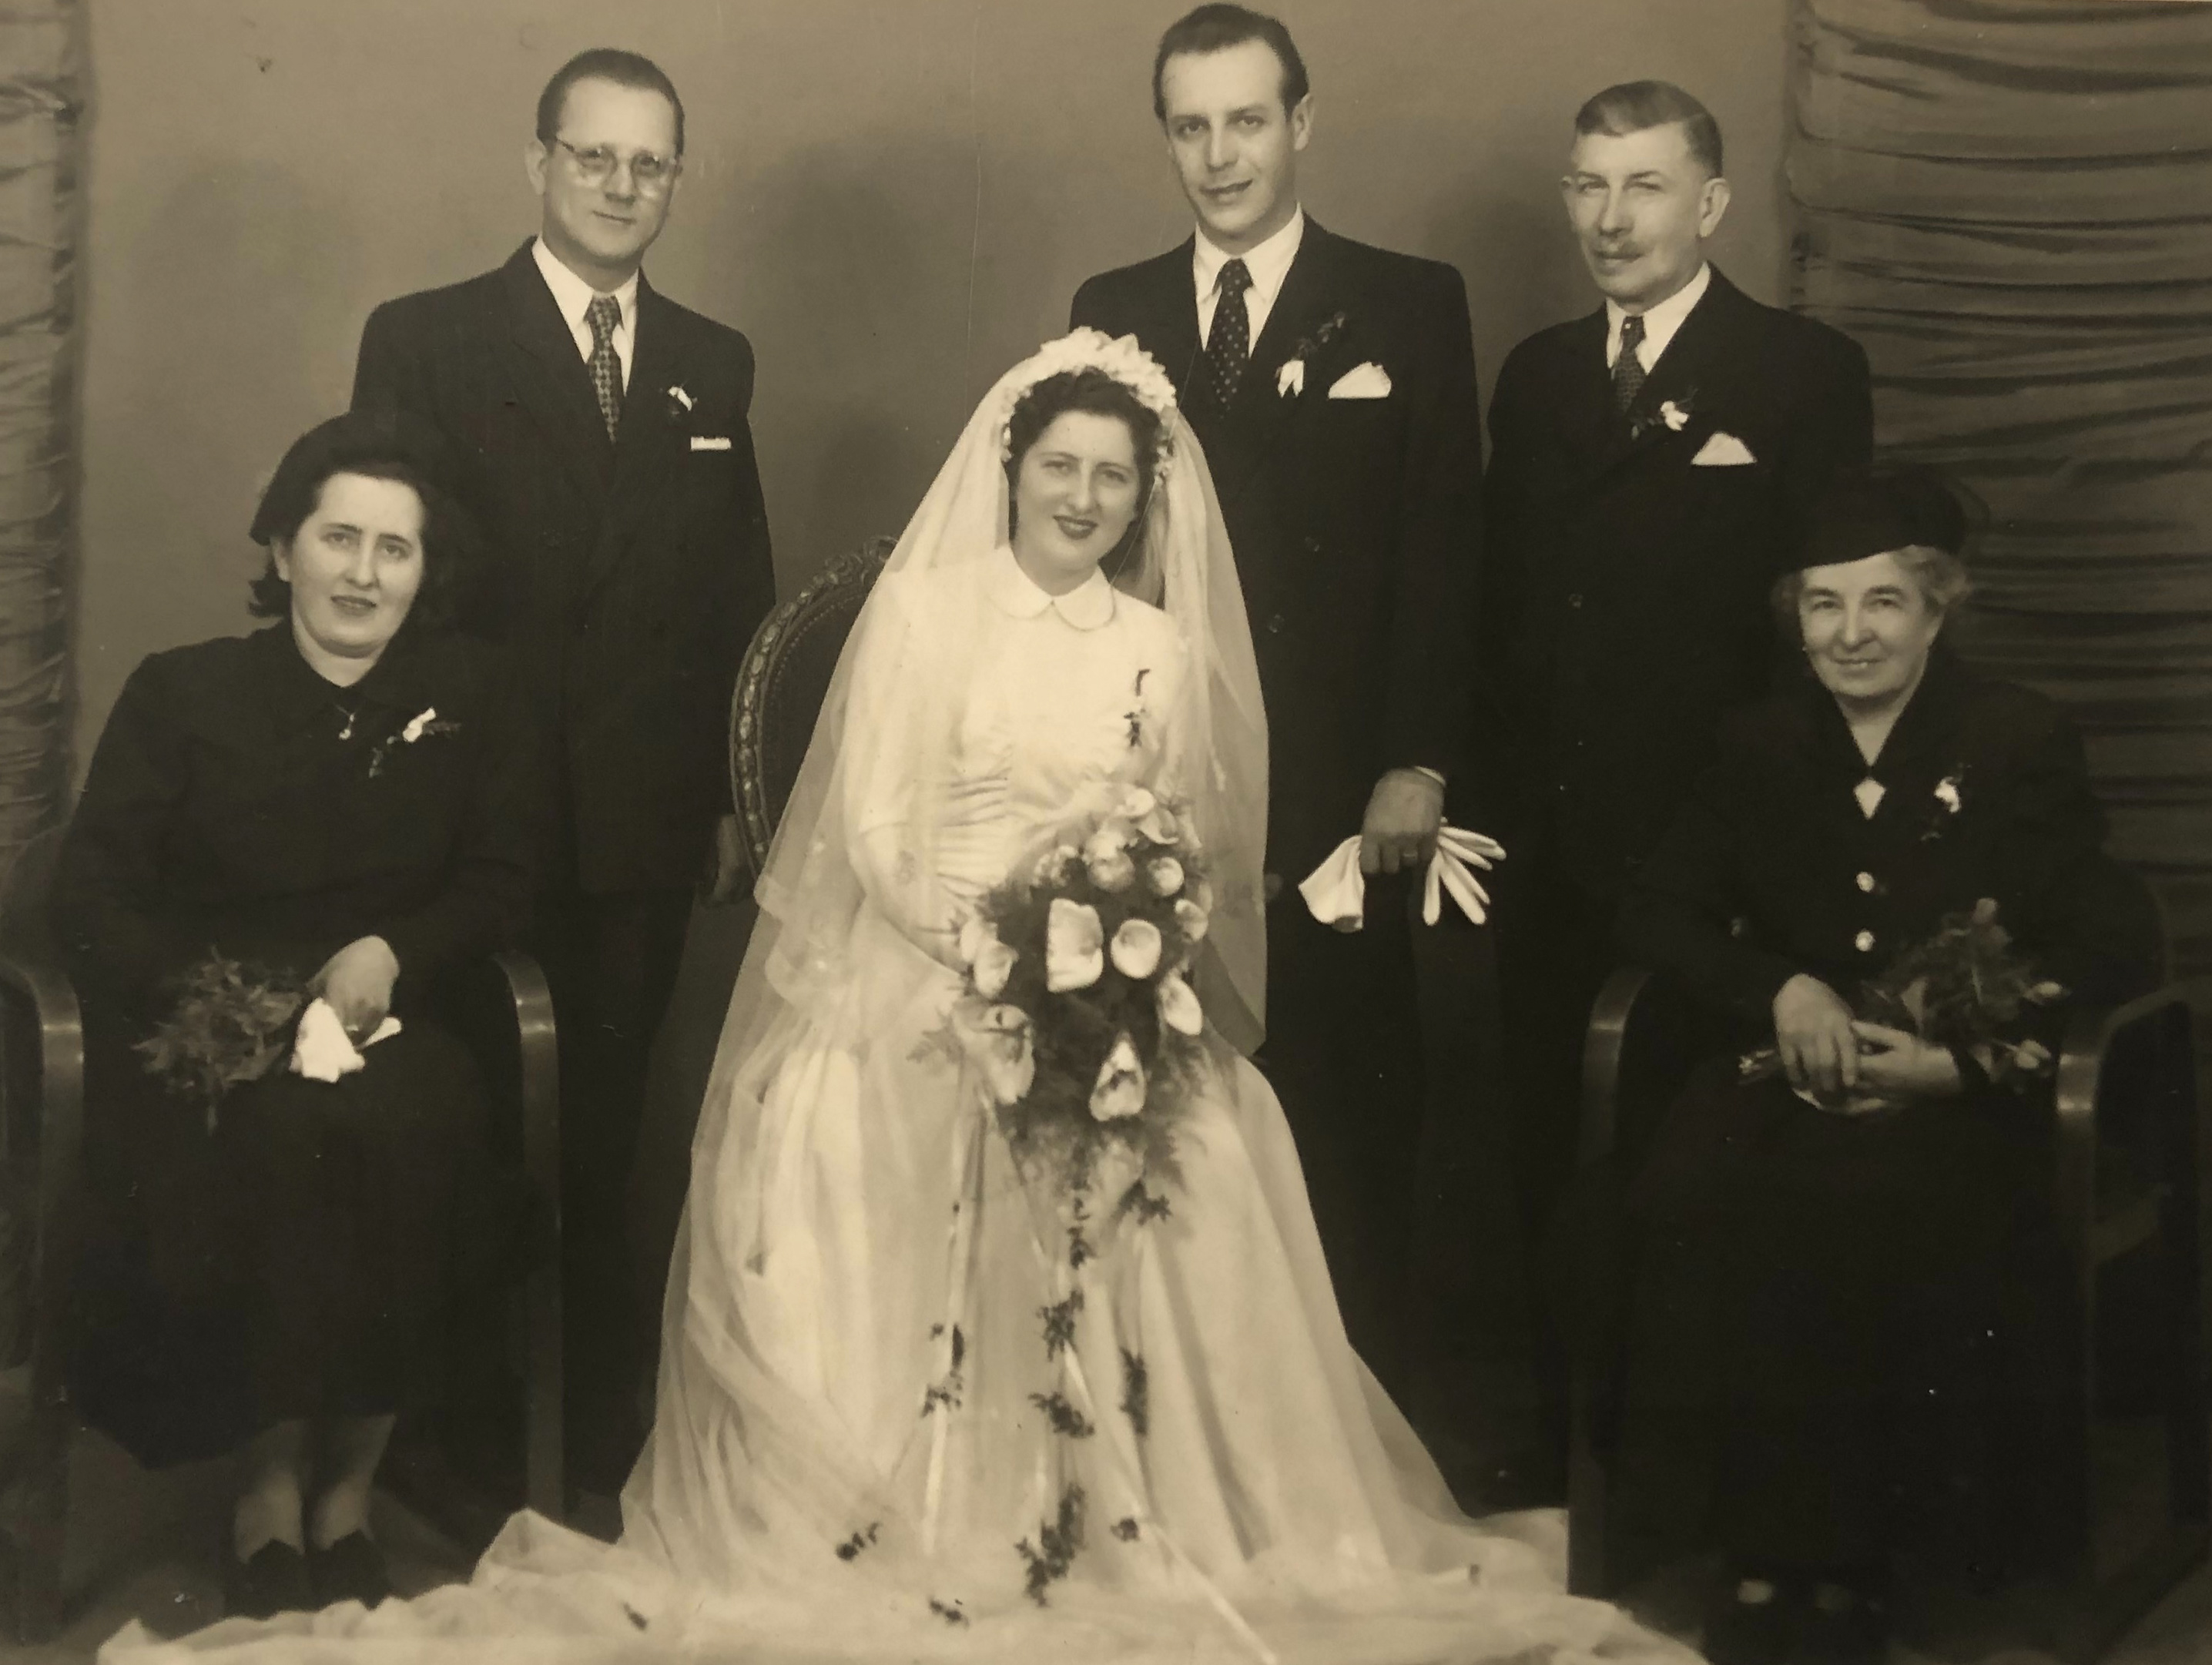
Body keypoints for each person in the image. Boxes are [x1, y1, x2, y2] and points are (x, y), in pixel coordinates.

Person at [98, 333, 1694, 1665]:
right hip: (924, 957)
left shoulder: (1155, 642)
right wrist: (992, 955)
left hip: (1099, 978)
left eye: (1112, 476)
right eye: (1058, 465)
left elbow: (1186, 837)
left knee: (1210, 1139)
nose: (1082, 497)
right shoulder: (926, 613)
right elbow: (868, 827)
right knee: (882, 1122)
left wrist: (1113, 952)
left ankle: (1147, 1507)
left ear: (1144, 496)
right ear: (1011, 466)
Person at [1587, 470, 2152, 1664]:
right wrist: (1779, 987)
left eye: (1884, 602)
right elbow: (1657, 907)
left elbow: (2109, 943)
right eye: (1824, 605)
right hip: (1785, 1071)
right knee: (1698, 1189)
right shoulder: (1756, 739)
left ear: (1938, 609)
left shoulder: (2015, 736)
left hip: (1952, 1092)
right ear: (1795, 619)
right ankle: (1751, 1550)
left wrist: (1957, 1066)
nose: (1852, 634)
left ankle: (1867, 1563)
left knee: (1867, 1206)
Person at [350, 46, 776, 1492]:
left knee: (604, 1130)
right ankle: (446, 1435)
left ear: (677, 179)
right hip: (476, 816)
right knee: (463, 1123)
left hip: (641, 822)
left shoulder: (712, 358)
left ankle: (584, 1432)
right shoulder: (428, 337)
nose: (620, 185)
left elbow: (735, 589)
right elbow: (395, 586)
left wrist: (729, 792)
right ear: (538, 162)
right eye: (594, 156)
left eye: (649, 163)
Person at [1068, 2, 1484, 1432]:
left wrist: (1416, 759)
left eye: (1247, 121)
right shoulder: (1111, 307)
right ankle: (1188, 1435)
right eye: (1191, 127)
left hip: (1340, 792)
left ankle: (1349, 1433)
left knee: (1345, 1110)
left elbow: (1444, 548)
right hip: (1160, 780)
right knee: (1169, 1112)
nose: (1220, 155)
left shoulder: (1409, 302)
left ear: (1301, 123)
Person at [53, 411, 538, 1620]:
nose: (363, 573)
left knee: (418, 1121)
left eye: (394, 548)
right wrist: (222, 1002)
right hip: (216, 1023)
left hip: (390, 1018)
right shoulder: (184, 690)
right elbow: (94, 893)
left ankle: (350, 1490)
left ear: (424, 571)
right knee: (276, 1138)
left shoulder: (469, 695)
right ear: (282, 549)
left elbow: (503, 877)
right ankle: (268, 1487)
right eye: (338, 538)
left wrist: (393, 951)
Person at [1475, 80, 1874, 1495]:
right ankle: (1566, 1448)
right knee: (1549, 1144)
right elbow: (1505, 614)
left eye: (1642, 186)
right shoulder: (1536, 376)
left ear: (1709, 205)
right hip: (1552, 840)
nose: (1610, 217)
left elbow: (1825, 635)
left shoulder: (1801, 371)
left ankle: (1703, 1475)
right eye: (1588, 186)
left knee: (1700, 1150)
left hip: (1719, 853)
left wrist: (1761, 847)